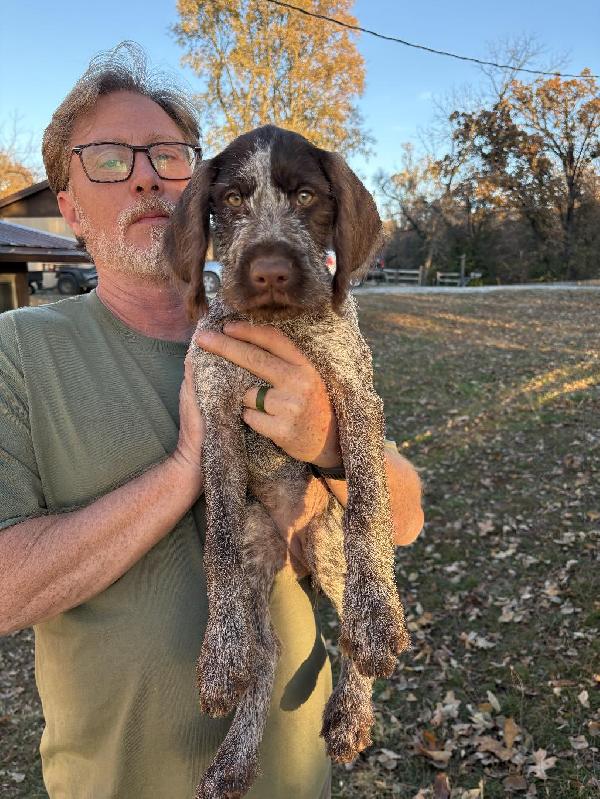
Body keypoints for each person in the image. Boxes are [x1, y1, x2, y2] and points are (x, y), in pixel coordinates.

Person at [0, 44, 424, 799]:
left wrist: (327, 441)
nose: (144, 175)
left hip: (298, 781)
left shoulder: (304, 329)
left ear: (194, 184)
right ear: (66, 204)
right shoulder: (18, 351)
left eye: (167, 153)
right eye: (106, 160)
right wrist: (181, 469)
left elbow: (407, 516)